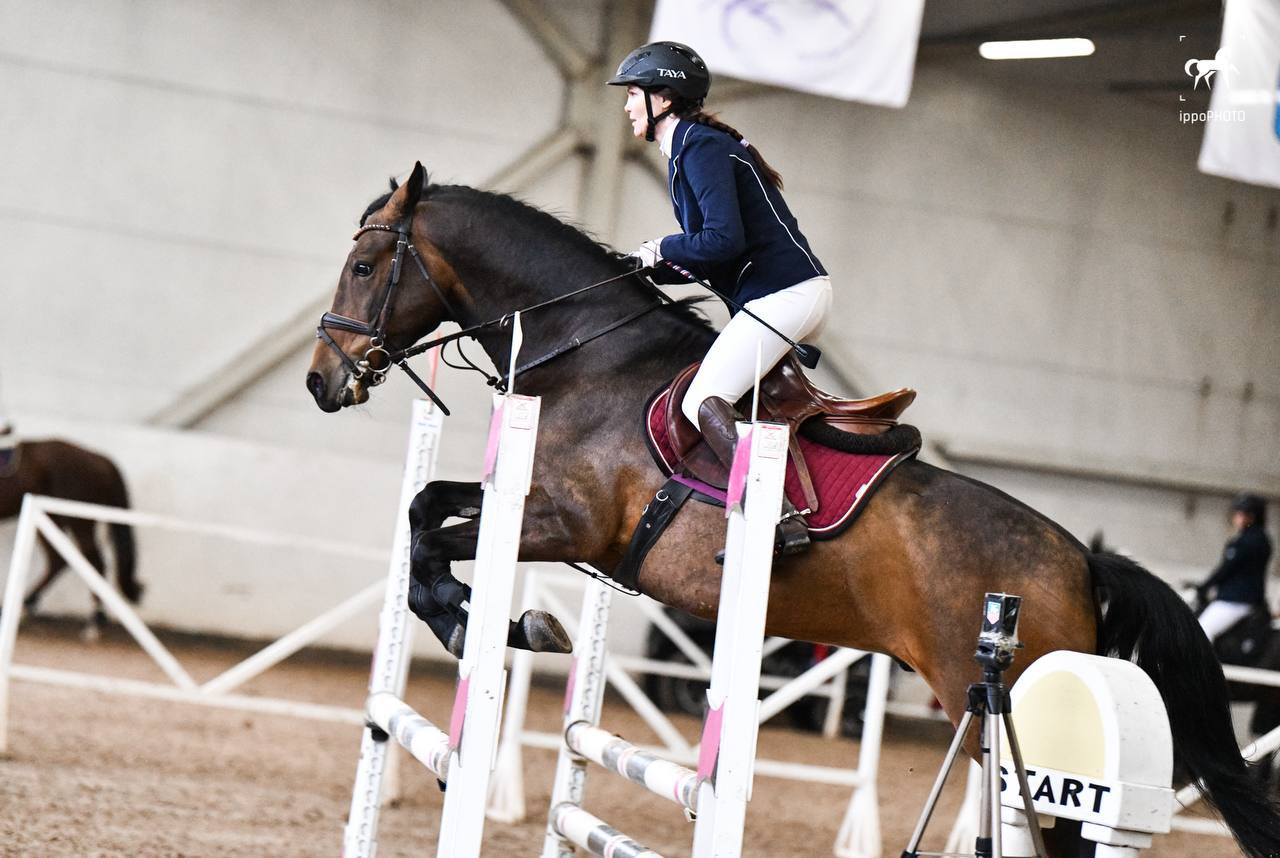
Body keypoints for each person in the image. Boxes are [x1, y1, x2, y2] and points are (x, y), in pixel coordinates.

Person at [607, 41, 831, 555]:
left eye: (633, 94)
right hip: (782, 294)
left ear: (663, 98)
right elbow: (715, 254)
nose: (625, 106)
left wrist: (659, 247)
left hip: (785, 294)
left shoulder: (701, 147)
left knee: (702, 400)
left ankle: (778, 517)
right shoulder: (690, 149)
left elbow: (721, 241)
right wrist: (648, 268)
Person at [1197, 494, 1273, 642]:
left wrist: (1204, 587)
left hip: (1235, 599)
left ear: (1251, 517)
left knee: (1202, 630)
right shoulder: (1262, 539)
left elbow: (1225, 570)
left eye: (1240, 514)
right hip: (1245, 598)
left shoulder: (1246, 542)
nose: (1235, 518)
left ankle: (1197, 665)